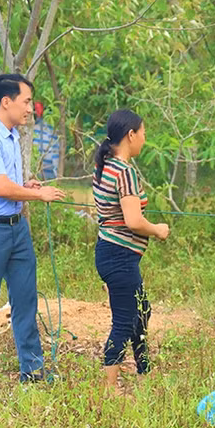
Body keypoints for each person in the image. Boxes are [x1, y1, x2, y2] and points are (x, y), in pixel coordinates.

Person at [0, 73, 66, 395]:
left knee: (25, 300)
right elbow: (1, 188)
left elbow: (10, 185)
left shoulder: (10, 136)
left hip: (15, 230)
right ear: (5, 102)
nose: (30, 109)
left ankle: (33, 373)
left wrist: (27, 186)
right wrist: (40, 194)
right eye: (25, 102)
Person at [92, 109, 169, 393]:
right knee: (124, 322)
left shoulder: (106, 164)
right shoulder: (124, 171)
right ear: (131, 135)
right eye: (144, 134)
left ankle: (144, 368)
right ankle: (109, 388)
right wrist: (158, 229)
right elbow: (133, 221)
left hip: (110, 252)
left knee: (142, 311)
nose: (145, 141)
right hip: (119, 256)